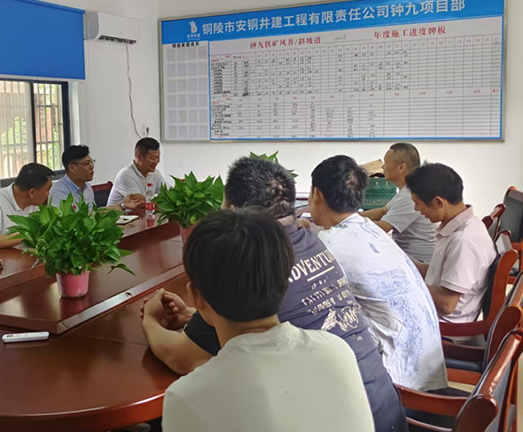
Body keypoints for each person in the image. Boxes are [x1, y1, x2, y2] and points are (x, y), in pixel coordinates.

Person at [142, 157, 407, 432]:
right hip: (386, 412)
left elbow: (183, 358)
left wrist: (150, 320)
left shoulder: (244, 262)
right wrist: (194, 314)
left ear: (234, 213)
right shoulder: (312, 243)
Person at [160, 209, 374, 432]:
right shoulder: (337, 351)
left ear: (196, 297)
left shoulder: (188, 398)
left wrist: (150, 321)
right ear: (286, 278)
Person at [310, 155, 446, 392]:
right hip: (426, 368)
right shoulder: (370, 230)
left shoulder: (330, 244)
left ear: (316, 194)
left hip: (399, 385)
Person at [406, 163, 496, 323]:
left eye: (417, 203)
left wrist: (407, 282)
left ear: (438, 202)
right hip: (432, 313)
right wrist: (403, 261)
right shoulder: (460, 225)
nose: (415, 208)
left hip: (442, 326)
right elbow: (437, 273)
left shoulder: (463, 241)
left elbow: (447, 304)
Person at [362, 143, 436, 263]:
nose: (382, 166)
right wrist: (351, 216)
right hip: (410, 258)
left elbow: (382, 227)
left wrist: (348, 222)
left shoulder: (410, 194)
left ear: (401, 167)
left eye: (386, 162)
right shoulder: (406, 190)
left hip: (419, 262)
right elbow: (382, 211)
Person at [0, 162, 54, 248]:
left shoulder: (37, 204)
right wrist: (26, 234)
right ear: (32, 192)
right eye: (48, 189)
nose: (49, 194)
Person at [49, 145, 141, 211]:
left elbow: (94, 214)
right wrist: (121, 206)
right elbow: (69, 223)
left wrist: (123, 205)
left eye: (91, 162)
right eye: (87, 163)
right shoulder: (59, 192)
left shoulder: (87, 188)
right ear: (72, 168)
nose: (92, 167)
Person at [107, 137, 162, 208]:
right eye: (153, 158)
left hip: (140, 214)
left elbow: (169, 193)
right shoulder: (126, 175)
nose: (156, 161)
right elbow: (140, 202)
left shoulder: (155, 173)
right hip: (118, 214)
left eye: (158, 157)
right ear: (139, 158)